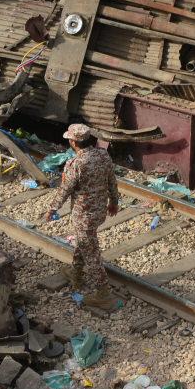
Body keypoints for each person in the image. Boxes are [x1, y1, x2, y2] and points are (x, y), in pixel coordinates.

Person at [46, 124, 120, 311]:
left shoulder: (76, 164)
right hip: (99, 212)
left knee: (92, 254)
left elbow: (65, 189)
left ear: (74, 142)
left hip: (84, 215)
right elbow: (111, 179)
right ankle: (76, 273)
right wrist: (114, 201)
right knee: (83, 240)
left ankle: (104, 294)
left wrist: (52, 208)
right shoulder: (103, 155)